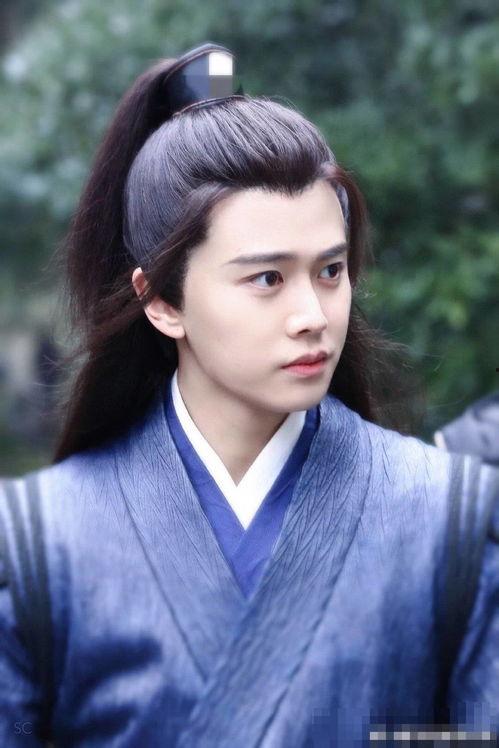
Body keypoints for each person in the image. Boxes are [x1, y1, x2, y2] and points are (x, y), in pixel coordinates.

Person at [0, 42, 498, 747]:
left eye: (330, 271)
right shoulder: (38, 544)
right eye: (267, 279)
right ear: (160, 300)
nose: (312, 315)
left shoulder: (450, 517)